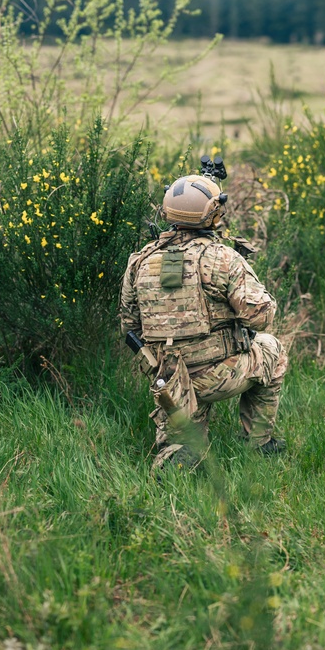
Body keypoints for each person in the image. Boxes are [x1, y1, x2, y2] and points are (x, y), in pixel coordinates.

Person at [119, 172, 287, 472]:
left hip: (169, 381)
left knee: (181, 448)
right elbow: (261, 317)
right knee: (272, 348)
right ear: (212, 214)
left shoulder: (140, 261)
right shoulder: (221, 257)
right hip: (216, 376)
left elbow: (129, 326)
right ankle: (259, 443)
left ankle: (181, 446)